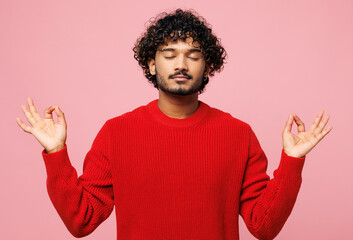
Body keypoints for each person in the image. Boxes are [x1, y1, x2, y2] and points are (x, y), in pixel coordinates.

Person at [16, 8, 332, 240]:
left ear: (208, 66)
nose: (181, 64)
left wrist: (293, 161)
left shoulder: (238, 134)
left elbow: (263, 227)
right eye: (169, 54)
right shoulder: (116, 133)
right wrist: (57, 153)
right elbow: (81, 221)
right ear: (152, 64)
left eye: (192, 55)